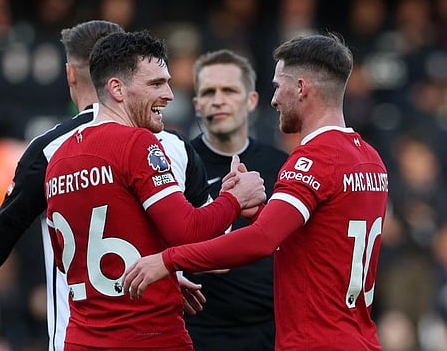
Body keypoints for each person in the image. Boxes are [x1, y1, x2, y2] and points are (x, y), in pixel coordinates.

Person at [123, 33, 389, 350]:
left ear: (301, 88)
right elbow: (322, 237)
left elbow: (263, 239)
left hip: (314, 341)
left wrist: (168, 260)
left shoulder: (314, 159)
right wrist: (261, 211)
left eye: (278, 86)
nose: (273, 99)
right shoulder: (369, 159)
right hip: (360, 339)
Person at [0, 20, 211, 351]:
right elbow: (206, 239)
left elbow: (3, 233)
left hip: (77, 335)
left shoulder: (51, 150)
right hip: (154, 334)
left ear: (70, 73)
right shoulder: (174, 147)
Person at [44, 30, 265, 350]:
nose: (170, 94)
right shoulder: (137, 143)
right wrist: (234, 199)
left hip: (82, 339)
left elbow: (69, 263)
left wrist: (158, 269)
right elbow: (187, 231)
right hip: (148, 336)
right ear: (117, 89)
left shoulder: (59, 158)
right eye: (156, 84)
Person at [185, 49, 288, 351]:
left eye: (228, 90)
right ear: (197, 105)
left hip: (270, 333)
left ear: (252, 100)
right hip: (197, 333)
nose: (218, 99)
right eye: (208, 92)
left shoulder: (282, 164)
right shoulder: (176, 163)